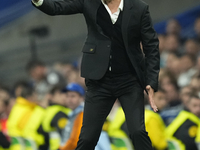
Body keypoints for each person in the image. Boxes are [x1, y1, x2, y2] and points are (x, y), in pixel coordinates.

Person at [32, 0, 160, 149]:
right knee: (87, 138)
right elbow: (57, 7)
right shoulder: (89, 2)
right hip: (100, 82)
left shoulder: (139, 8)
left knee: (138, 132)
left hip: (129, 80)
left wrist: (151, 81)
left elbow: (151, 46)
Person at [60, 83, 111, 150]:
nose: (69, 99)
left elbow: (76, 140)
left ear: (82, 98)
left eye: (73, 96)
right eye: (67, 96)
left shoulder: (83, 114)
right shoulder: (74, 113)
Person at [42, 84, 71, 150]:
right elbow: (66, 133)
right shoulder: (58, 113)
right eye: (60, 94)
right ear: (52, 97)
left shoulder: (50, 110)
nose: (64, 97)